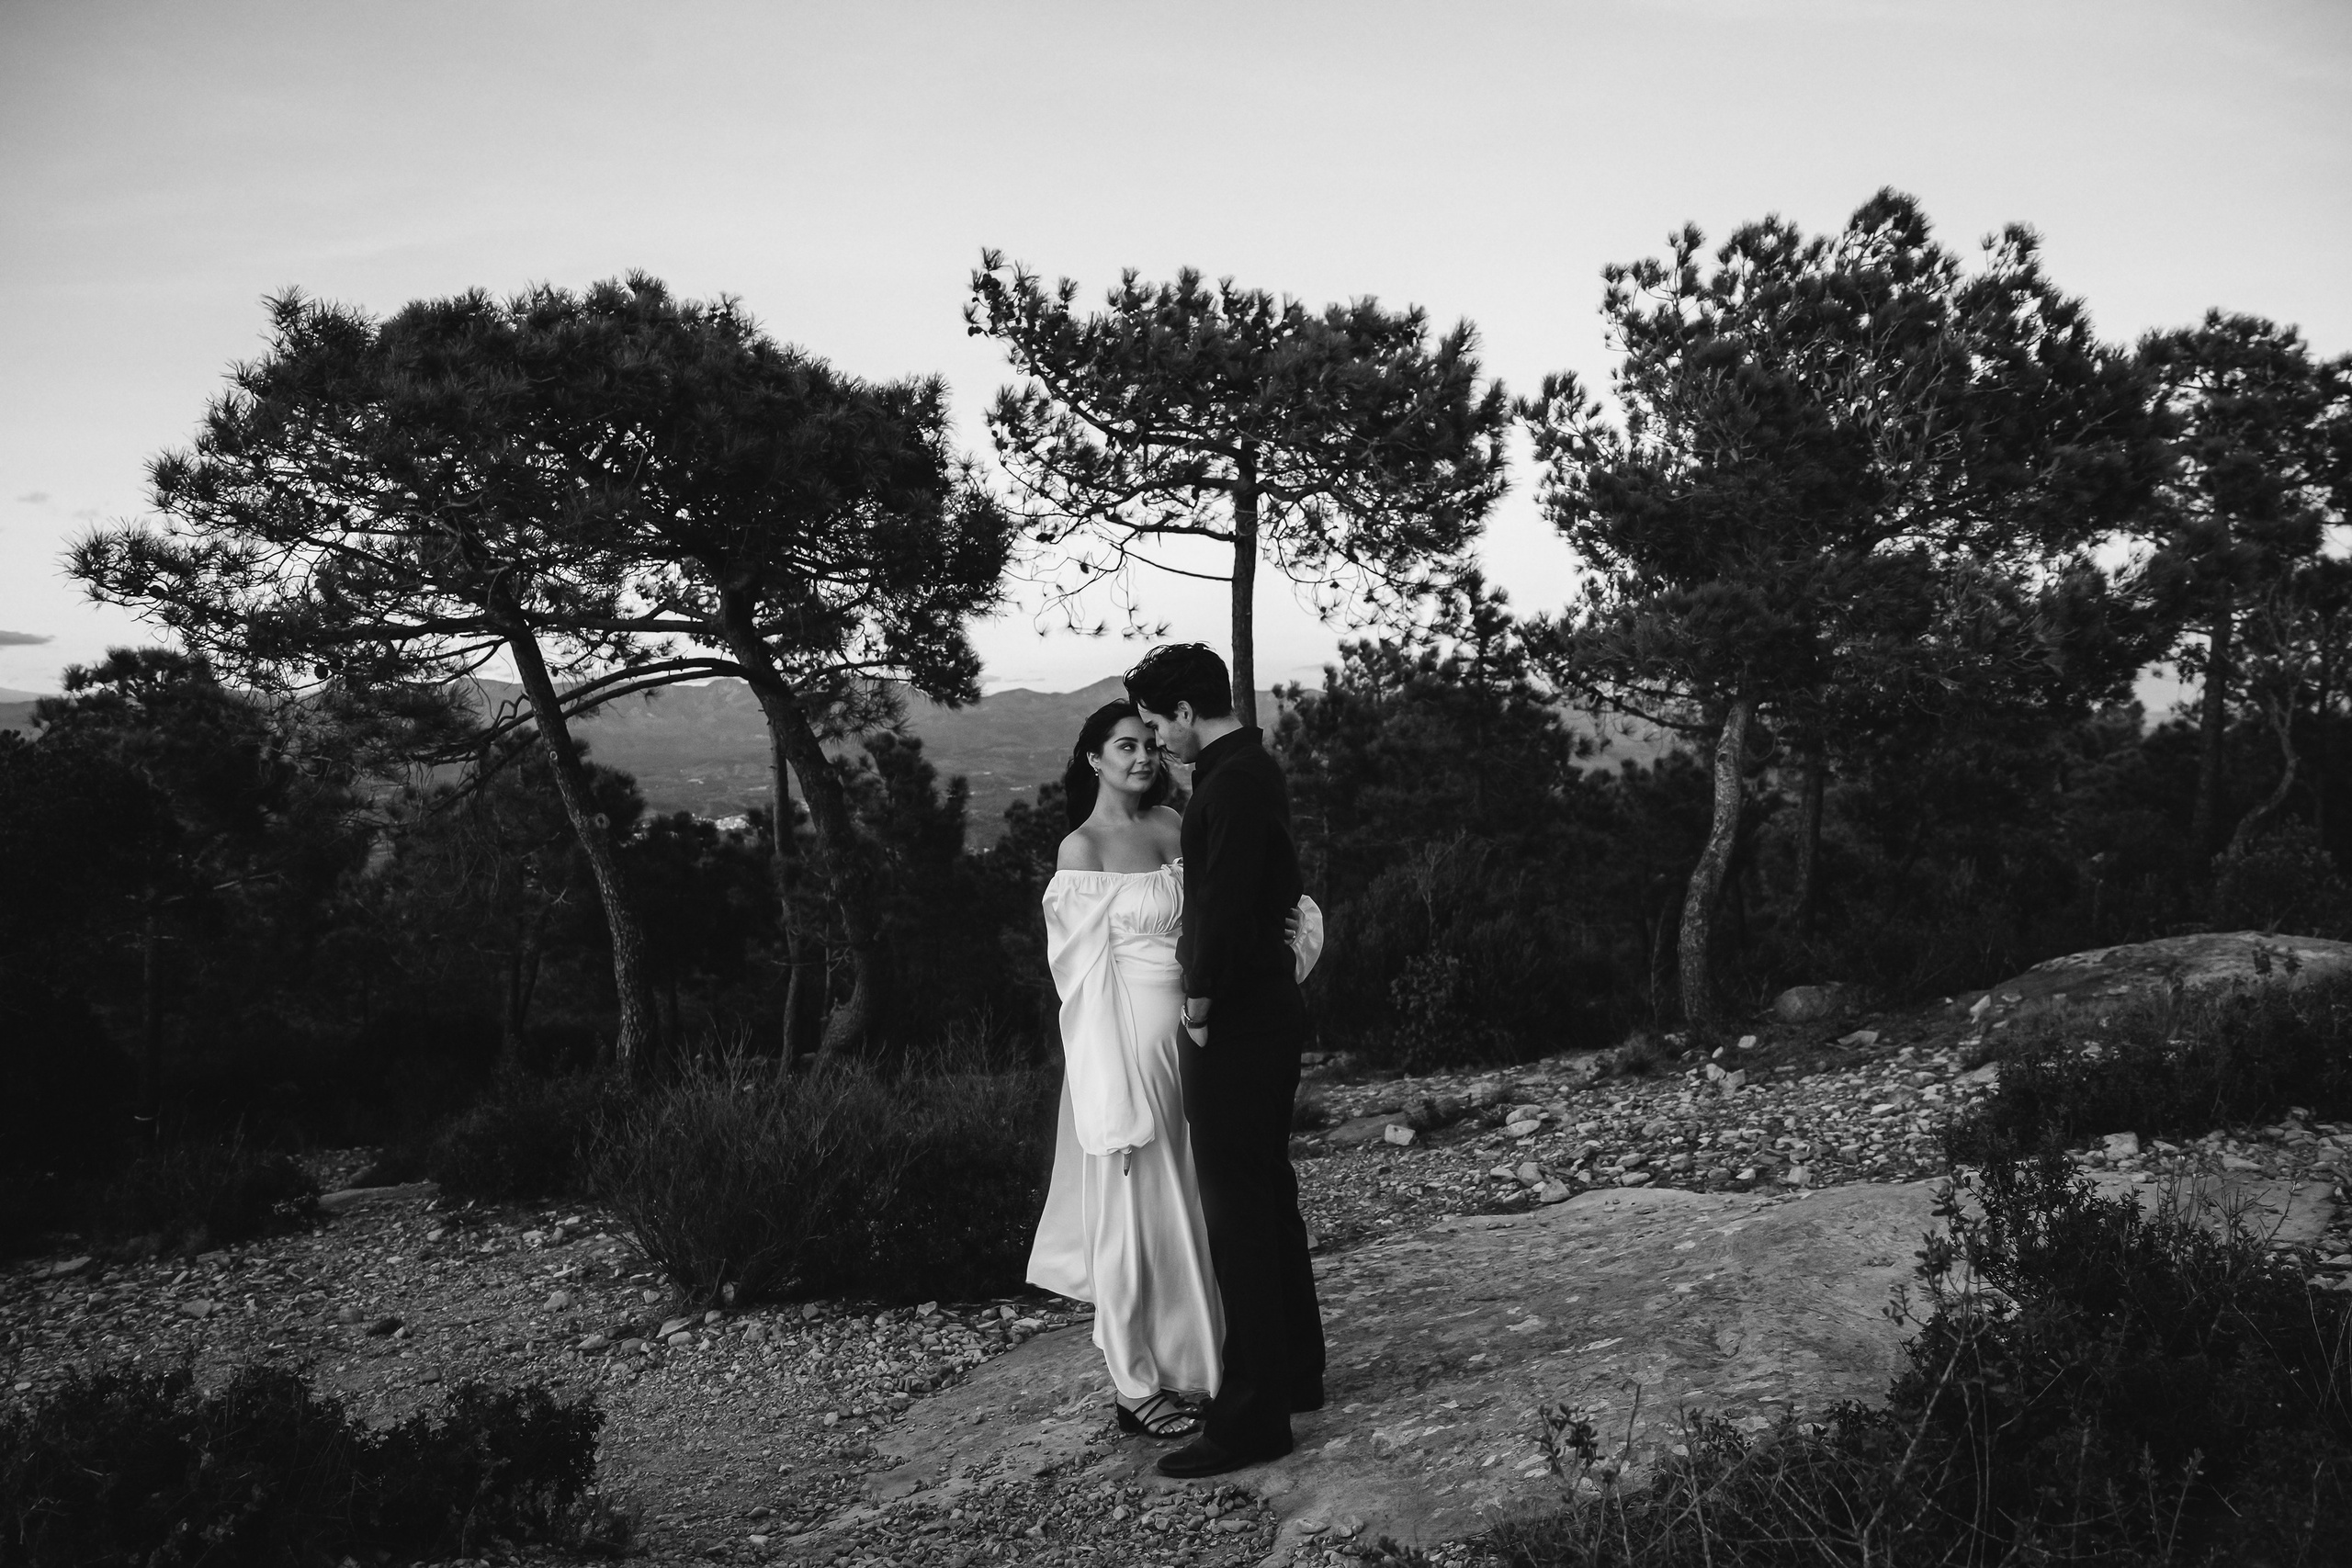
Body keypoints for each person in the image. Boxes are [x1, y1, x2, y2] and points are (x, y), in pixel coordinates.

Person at [1027, 699, 1324, 1444]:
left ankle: (1209, 1364)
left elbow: (1227, 904)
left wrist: (1287, 930)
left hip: (1204, 1043)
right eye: (1125, 746)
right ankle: (1135, 1384)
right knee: (1135, 1218)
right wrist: (1106, 1091)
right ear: (1092, 757)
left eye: (1149, 745)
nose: (1142, 758)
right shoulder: (1082, 852)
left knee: (1200, 1211)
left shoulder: (1174, 825)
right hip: (1129, 1052)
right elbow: (1081, 984)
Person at [1125, 644, 1328, 1479]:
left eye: (1153, 721)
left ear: (1181, 710)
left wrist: (1199, 1005)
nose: (1153, 741)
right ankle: (1296, 1371)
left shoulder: (1230, 780)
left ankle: (1253, 1418)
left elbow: (1225, 907)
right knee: (1266, 1193)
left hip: (1237, 1021)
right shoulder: (1245, 769)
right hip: (1259, 1014)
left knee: (1238, 1213)